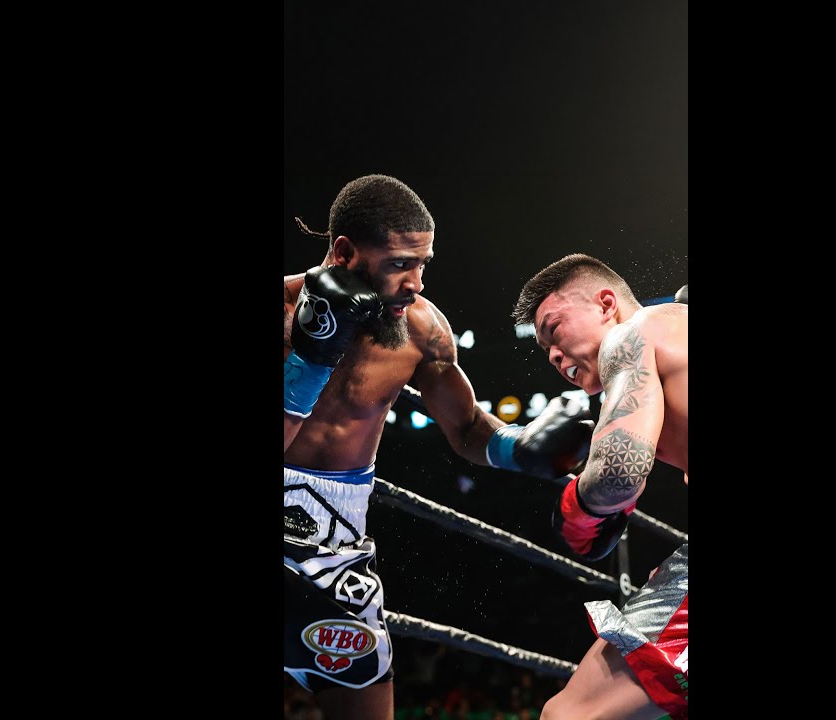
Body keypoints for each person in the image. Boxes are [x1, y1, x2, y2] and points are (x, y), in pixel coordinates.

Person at [283, 175, 594, 720]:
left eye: (423, 263)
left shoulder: (422, 330)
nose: (416, 283)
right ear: (345, 252)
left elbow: (468, 429)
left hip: (337, 541)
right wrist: (309, 359)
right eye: (400, 264)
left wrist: (521, 449)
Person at [510, 253, 688, 720]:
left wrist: (578, 507)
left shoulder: (631, 335)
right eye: (544, 348)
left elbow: (619, 473)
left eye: (554, 329)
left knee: (567, 715)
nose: (553, 354)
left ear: (607, 304)